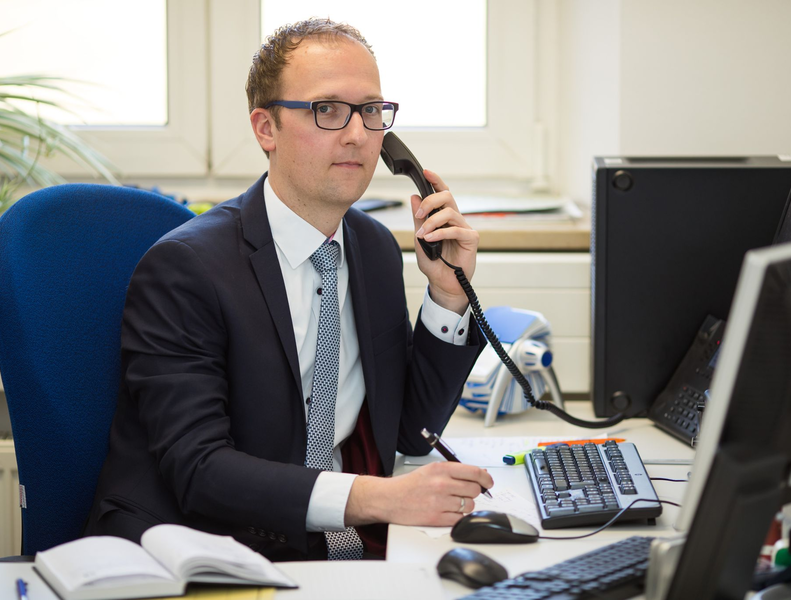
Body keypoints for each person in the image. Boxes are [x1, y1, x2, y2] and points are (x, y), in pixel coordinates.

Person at [84, 17, 493, 561]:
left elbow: (411, 435)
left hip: (330, 541)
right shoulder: (185, 269)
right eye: (327, 110)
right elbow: (199, 468)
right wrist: (378, 498)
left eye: (371, 111)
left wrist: (447, 294)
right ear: (265, 129)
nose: (356, 134)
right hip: (200, 544)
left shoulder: (371, 248)